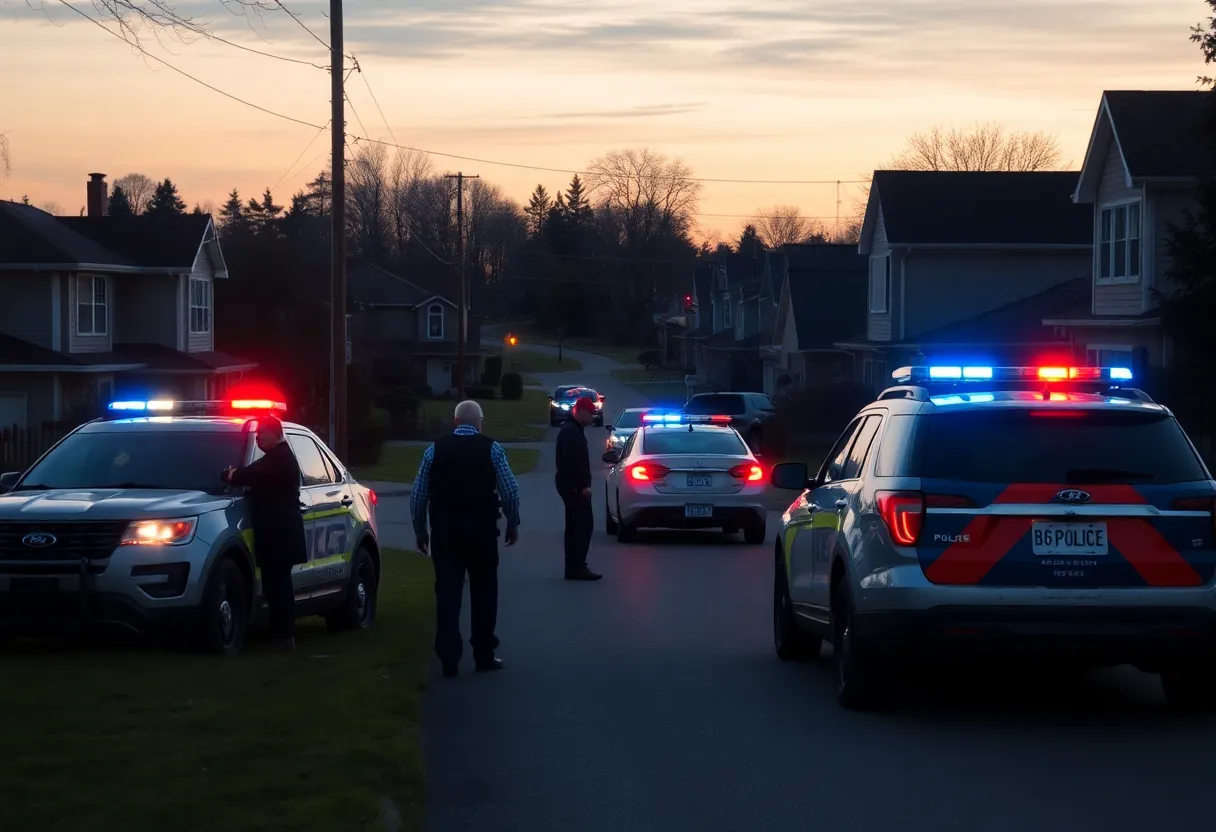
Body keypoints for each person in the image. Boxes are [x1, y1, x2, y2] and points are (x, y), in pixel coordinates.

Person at [411, 400, 520, 677]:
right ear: (479, 421)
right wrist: (512, 522)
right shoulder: (493, 449)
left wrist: (420, 530)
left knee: (448, 593)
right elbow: (510, 491)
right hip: (482, 532)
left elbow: (418, 495)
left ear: (455, 421)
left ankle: (449, 657)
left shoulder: (434, 450)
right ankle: (484, 654)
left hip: (446, 533)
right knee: (484, 593)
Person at [221, 415, 307, 652]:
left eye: (262, 434)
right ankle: (281, 635)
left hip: (279, 535)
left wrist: (230, 475)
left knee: (278, 587)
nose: (258, 439)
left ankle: (284, 637)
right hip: (280, 534)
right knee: (276, 586)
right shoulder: (278, 458)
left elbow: (249, 474)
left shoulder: (279, 459)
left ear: (275, 433)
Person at [555, 396, 602, 581]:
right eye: (590, 413)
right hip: (573, 486)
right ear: (579, 411)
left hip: (569, 484)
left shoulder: (573, 430)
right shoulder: (571, 432)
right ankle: (577, 566)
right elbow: (572, 462)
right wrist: (583, 486)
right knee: (582, 525)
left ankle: (573, 566)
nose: (592, 417)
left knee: (575, 525)